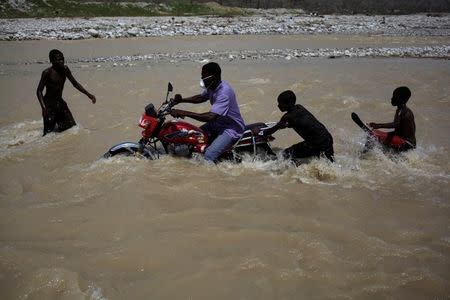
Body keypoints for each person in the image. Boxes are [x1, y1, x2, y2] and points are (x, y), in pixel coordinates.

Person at [169, 62, 245, 162]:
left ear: (213, 77)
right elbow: (201, 97)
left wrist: (183, 113)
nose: (202, 80)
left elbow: (210, 117)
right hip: (216, 124)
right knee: (192, 139)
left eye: (204, 77)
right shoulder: (212, 87)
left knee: (209, 155)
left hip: (230, 128)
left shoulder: (224, 92)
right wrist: (181, 100)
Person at [254, 90, 334, 162]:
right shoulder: (300, 107)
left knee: (284, 155)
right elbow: (301, 122)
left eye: (280, 103)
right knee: (331, 163)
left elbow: (272, 130)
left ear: (287, 104)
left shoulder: (287, 117)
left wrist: (260, 132)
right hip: (327, 138)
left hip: (315, 143)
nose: (278, 106)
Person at [36, 49, 96, 136]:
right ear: (51, 61)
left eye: (62, 59)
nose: (62, 61)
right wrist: (43, 108)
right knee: (48, 135)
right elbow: (39, 91)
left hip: (60, 103)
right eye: (59, 59)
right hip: (49, 106)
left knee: (72, 128)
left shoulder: (65, 69)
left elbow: (75, 84)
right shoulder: (47, 73)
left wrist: (89, 95)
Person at [368, 86, 416, 152]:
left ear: (402, 99)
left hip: (407, 144)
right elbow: (399, 131)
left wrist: (378, 125)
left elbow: (396, 124)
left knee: (373, 135)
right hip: (408, 143)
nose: (392, 98)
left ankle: (364, 156)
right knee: (375, 134)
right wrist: (382, 133)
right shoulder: (401, 110)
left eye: (395, 96)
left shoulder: (404, 112)